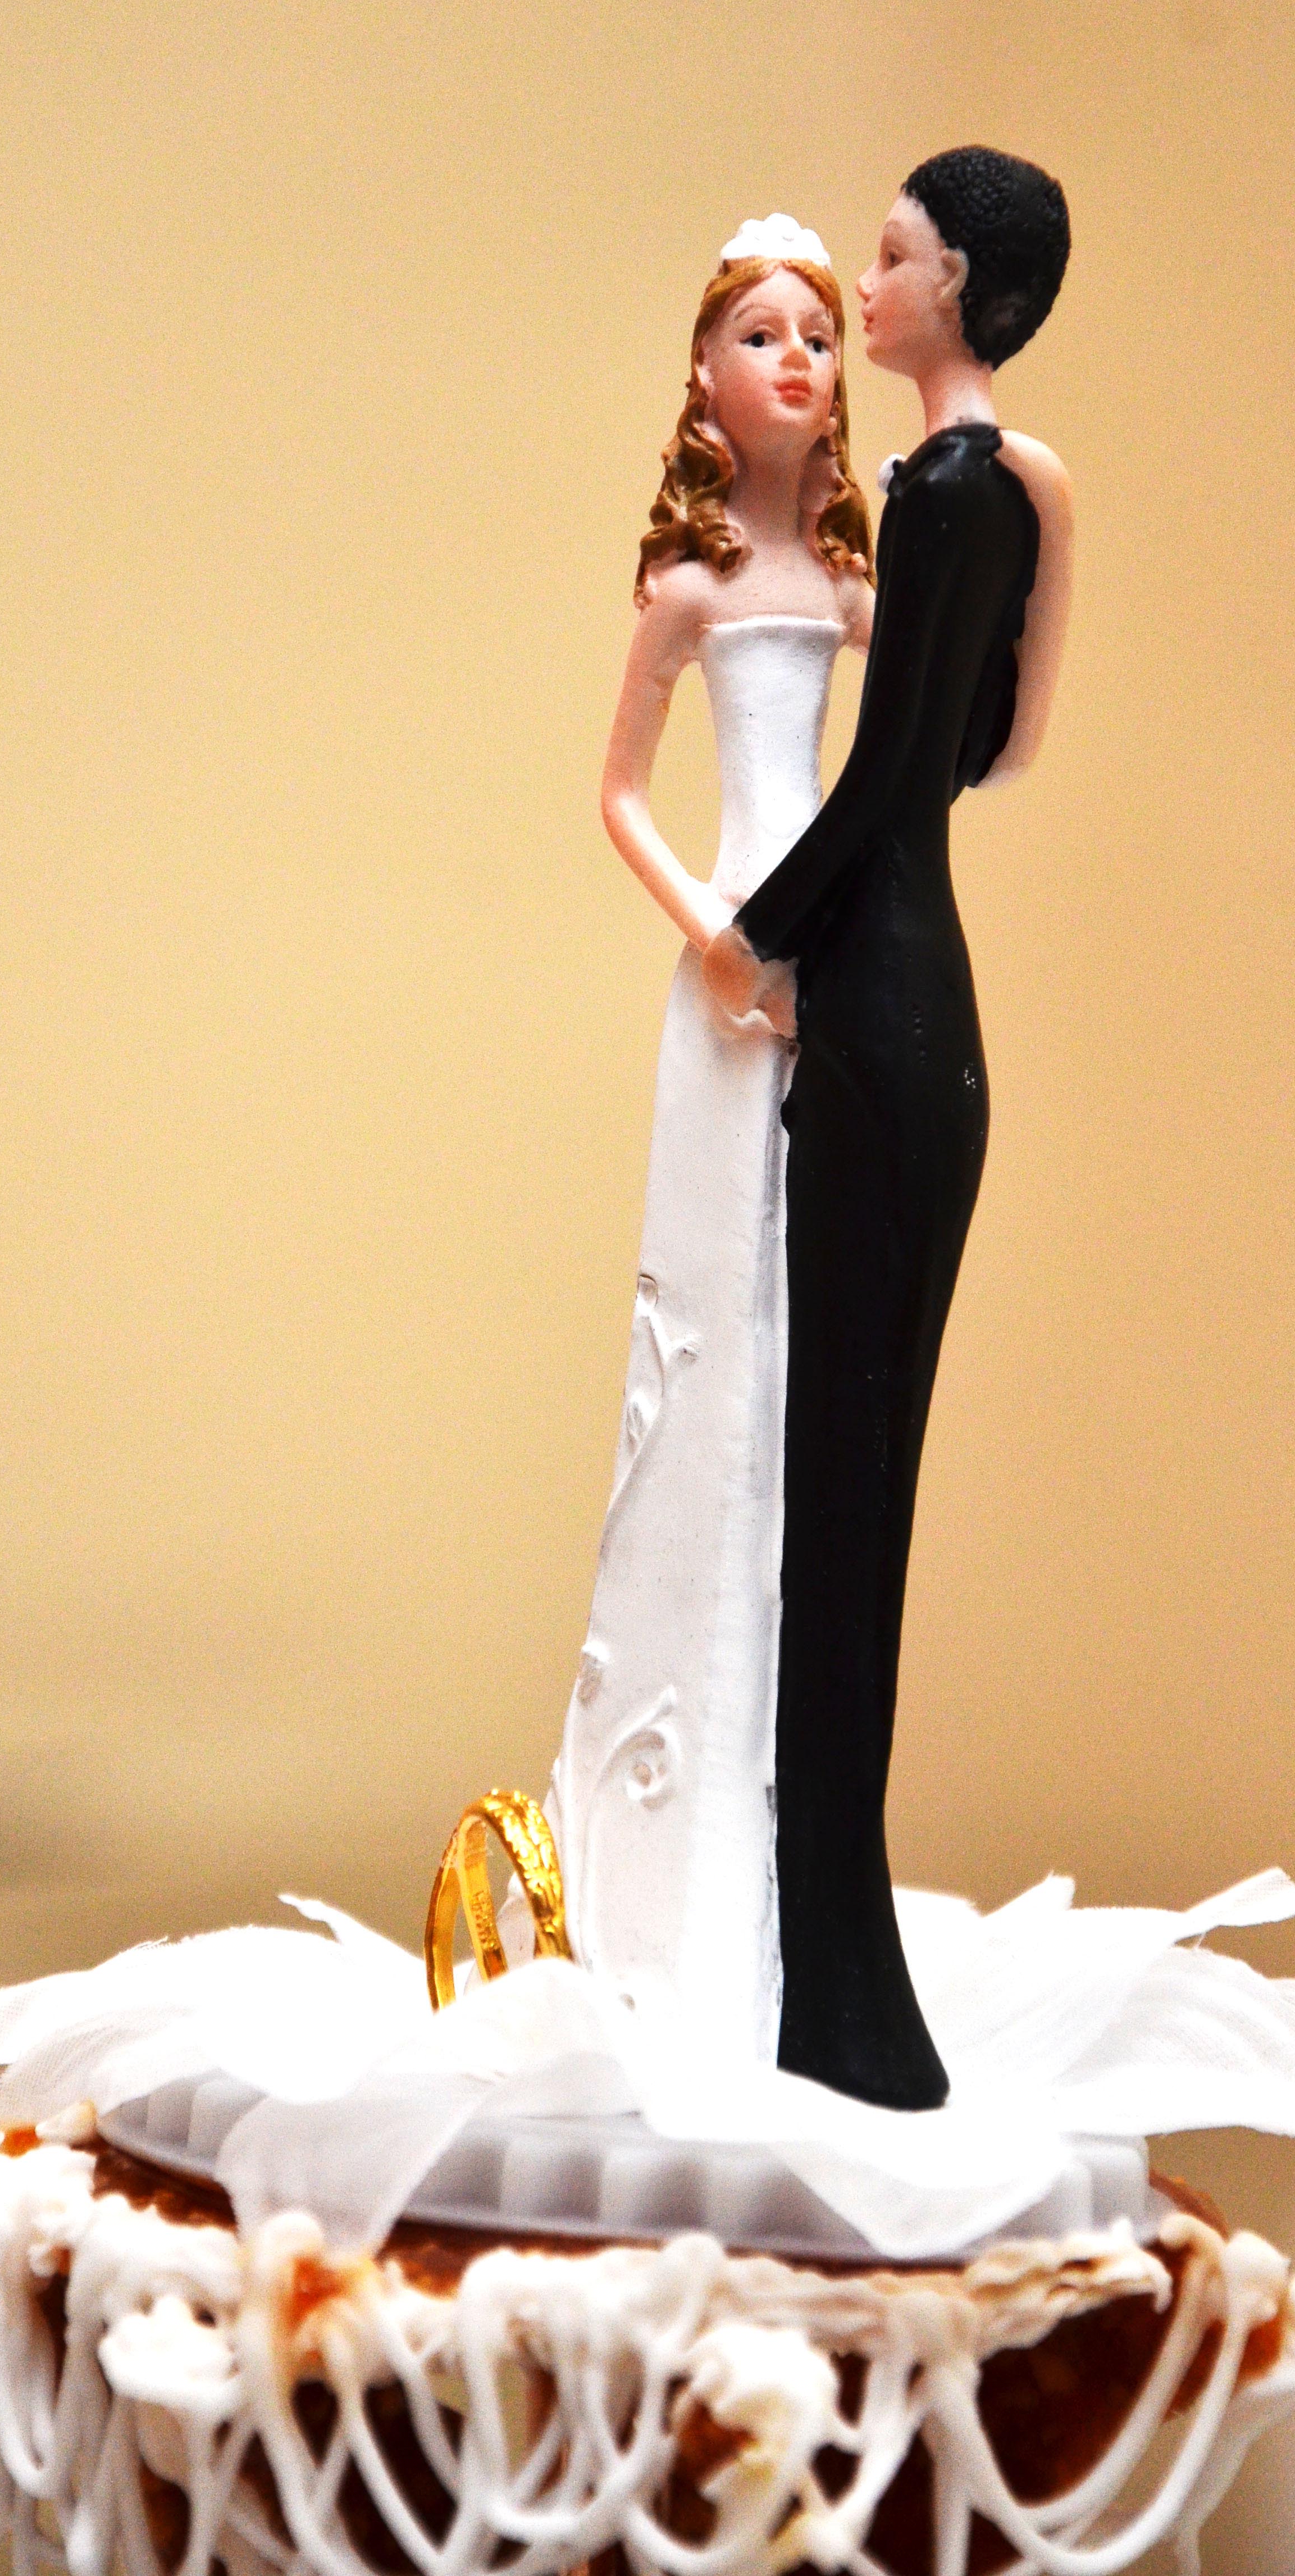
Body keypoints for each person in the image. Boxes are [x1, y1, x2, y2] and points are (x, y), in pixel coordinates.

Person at [704, 148, 1075, 2109]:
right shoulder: (1012, 491)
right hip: (928, 1009)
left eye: (898, 257)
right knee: (853, 1507)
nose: (871, 283)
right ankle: (830, 1982)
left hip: (875, 1007)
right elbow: (1001, 745)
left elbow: (890, 786)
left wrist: (748, 937)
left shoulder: (943, 492)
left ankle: (838, 2003)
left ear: (966, 292)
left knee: (838, 1514)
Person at [546, 217, 874, 2064]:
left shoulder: (849, 582)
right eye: (762, 332)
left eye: (817, 333)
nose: (796, 359)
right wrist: (718, 935)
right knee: (712, 1323)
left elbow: (943, 733)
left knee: (810, 1326)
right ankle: (660, 1819)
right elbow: (618, 793)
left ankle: (777, 1817)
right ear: (706, 371)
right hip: (738, 967)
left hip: (840, 953)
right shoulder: (686, 587)